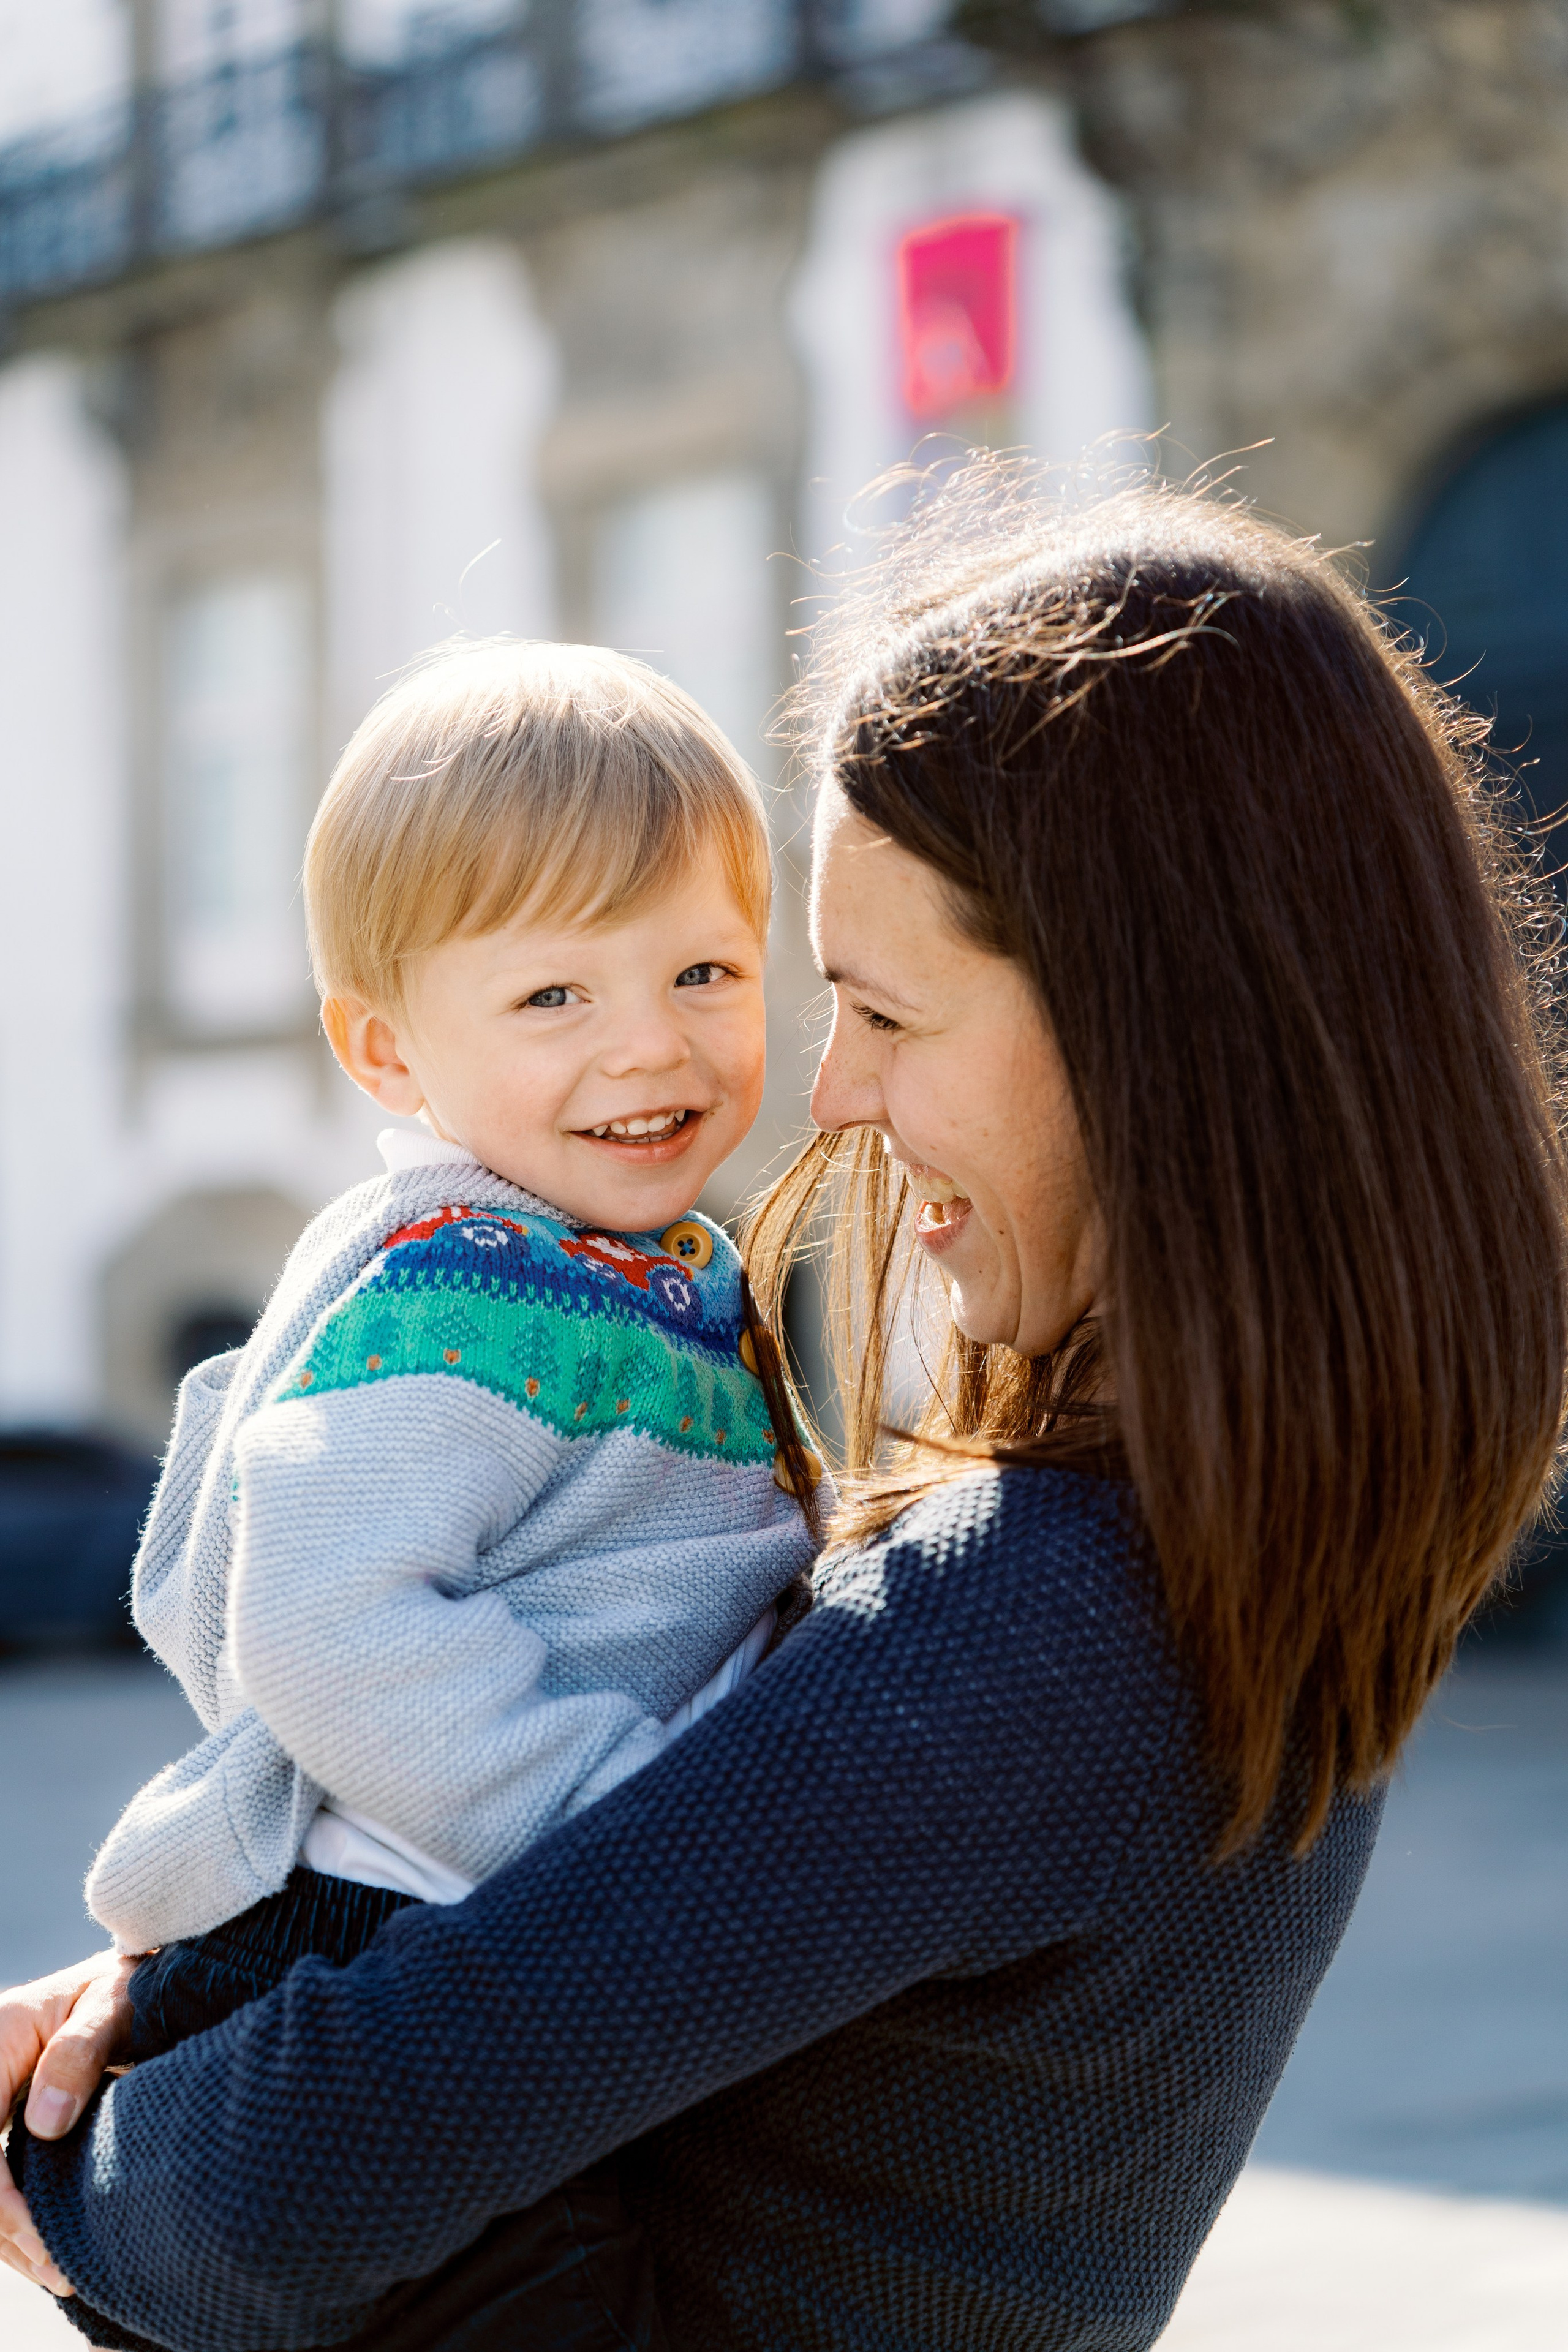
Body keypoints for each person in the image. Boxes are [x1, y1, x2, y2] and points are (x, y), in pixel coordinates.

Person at [3, 473, 1564, 2352]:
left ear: (1139, 1024)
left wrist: (61, 2147)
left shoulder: (1046, 1624)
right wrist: (240, 1973)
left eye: (880, 1012)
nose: (828, 1099)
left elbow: (257, 2209)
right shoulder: (1257, 1542)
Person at [6, 637, 824, 2348]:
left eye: (704, 969)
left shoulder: (634, 1261)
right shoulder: (468, 1291)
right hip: (387, 1940)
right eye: (554, 997)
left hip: (454, 1919)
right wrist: (613, 1822)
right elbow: (319, 1613)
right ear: (384, 1052)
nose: (649, 1046)